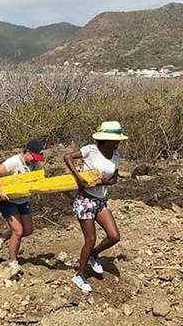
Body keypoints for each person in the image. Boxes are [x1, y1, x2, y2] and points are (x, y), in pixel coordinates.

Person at [63, 121, 128, 292]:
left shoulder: (116, 155)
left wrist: (108, 181)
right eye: (114, 140)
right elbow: (67, 157)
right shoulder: (91, 150)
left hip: (101, 200)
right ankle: (80, 274)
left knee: (114, 236)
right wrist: (77, 176)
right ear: (104, 139)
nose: (117, 143)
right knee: (90, 239)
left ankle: (93, 254)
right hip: (85, 201)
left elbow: (114, 178)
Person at [0, 139, 45, 273]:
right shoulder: (15, 161)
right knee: (18, 231)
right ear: (27, 152)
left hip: (22, 200)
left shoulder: (35, 165)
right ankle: (12, 261)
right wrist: (0, 191)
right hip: (7, 200)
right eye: (33, 157)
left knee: (28, 229)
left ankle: (1, 238)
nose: (34, 161)